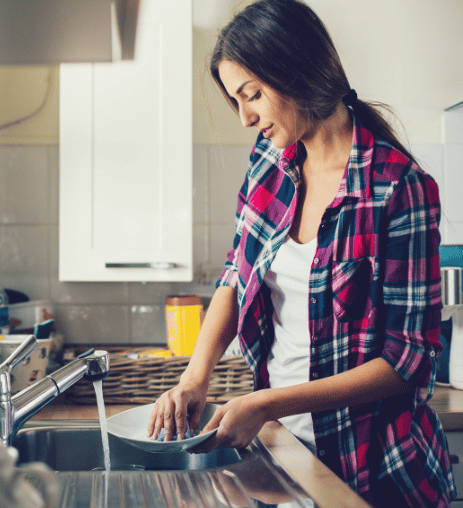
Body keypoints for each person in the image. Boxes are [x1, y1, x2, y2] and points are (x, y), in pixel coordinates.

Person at [146, 0, 457, 506]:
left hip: (378, 472)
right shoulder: (268, 164)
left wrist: (268, 403)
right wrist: (193, 380)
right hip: (284, 456)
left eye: (253, 95)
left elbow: (408, 360)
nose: (245, 118)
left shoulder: (400, 188)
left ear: (296, 71)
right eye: (236, 100)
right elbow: (236, 276)